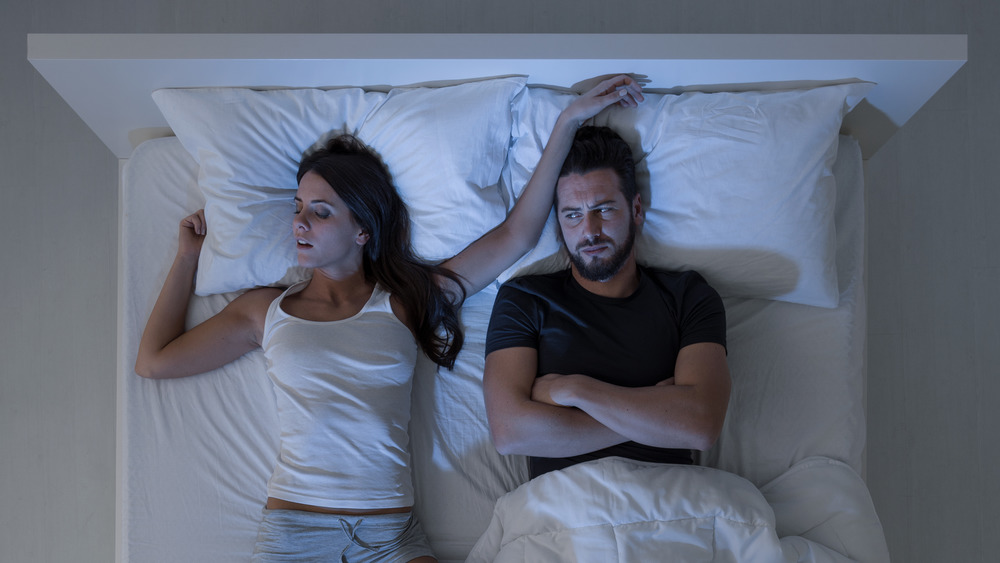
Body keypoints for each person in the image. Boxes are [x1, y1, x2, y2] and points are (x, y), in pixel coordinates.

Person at [134, 75, 645, 563]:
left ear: (362, 229)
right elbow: (154, 361)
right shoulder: (265, 311)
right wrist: (187, 259)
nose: (299, 222)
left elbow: (516, 235)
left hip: (388, 536)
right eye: (297, 207)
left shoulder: (405, 302)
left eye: (321, 211)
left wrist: (570, 119)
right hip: (297, 532)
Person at [483, 125, 731, 480]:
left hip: (670, 502)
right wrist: (656, 415)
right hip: (563, 511)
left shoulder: (689, 296)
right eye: (573, 214)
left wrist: (572, 390)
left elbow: (701, 426)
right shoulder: (524, 300)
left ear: (636, 209)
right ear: (559, 223)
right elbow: (510, 432)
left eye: (604, 209)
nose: (590, 231)